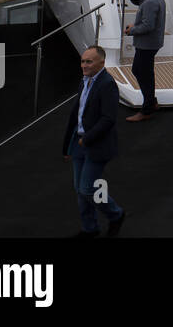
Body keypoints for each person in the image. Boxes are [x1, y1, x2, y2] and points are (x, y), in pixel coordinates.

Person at [61, 46, 125, 236]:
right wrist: (68, 145)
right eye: (83, 61)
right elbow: (76, 114)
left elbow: (109, 118)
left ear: (102, 63)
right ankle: (90, 228)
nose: (84, 65)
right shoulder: (85, 81)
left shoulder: (107, 84)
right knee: (80, 189)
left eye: (89, 62)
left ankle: (116, 214)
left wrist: (87, 139)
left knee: (88, 188)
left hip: (96, 144)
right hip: (79, 143)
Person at [124, 0, 165, 122]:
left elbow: (148, 25)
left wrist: (132, 30)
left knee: (141, 71)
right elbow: (148, 21)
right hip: (150, 43)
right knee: (144, 71)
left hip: (147, 44)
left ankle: (147, 108)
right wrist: (135, 25)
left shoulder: (150, 2)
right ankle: (151, 101)